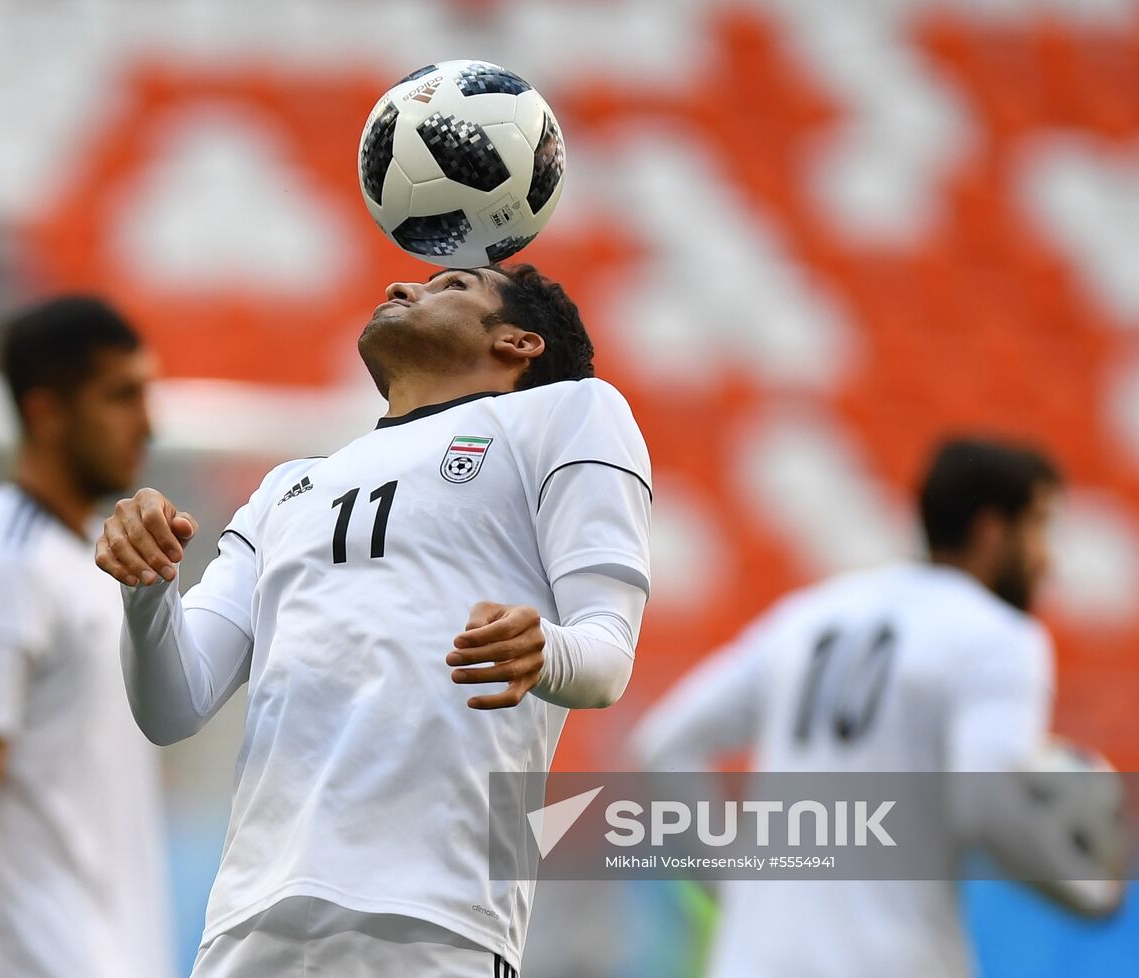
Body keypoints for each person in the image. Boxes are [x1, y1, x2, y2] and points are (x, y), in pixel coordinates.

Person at [96, 264, 653, 977]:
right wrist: (146, 590)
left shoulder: (568, 413)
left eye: (453, 286)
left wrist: (544, 652)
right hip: (251, 916)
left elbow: (607, 654)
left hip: (435, 914)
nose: (402, 288)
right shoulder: (284, 488)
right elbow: (173, 706)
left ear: (519, 341)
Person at [630, 436, 1065, 978]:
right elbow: (986, 803)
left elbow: (662, 745)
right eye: (1040, 528)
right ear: (991, 531)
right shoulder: (1000, 638)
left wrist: (732, 884)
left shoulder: (810, 614)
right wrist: (1087, 882)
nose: (1048, 560)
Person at [0, 297, 172, 978]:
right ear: (46, 413)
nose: (149, 424)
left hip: (113, 948)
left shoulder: (91, 553)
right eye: (122, 396)